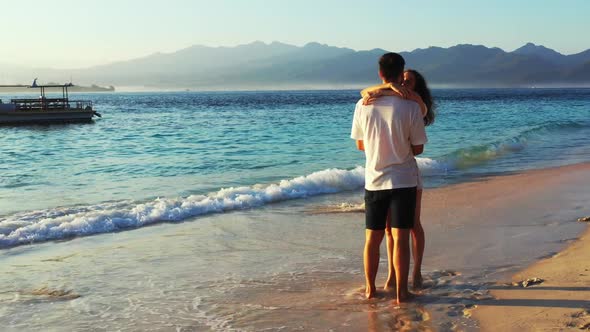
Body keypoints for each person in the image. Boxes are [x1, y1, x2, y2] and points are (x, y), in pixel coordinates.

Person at [351, 53, 428, 303]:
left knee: (372, 239)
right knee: (401, 238)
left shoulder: (363, 104)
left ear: (380, 73)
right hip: (403, 180)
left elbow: (361, 145)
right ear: (400, 72)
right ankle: (401, 293)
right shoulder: (411, 106)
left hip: (374, 179)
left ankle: (370, 289)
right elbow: (418, 149)